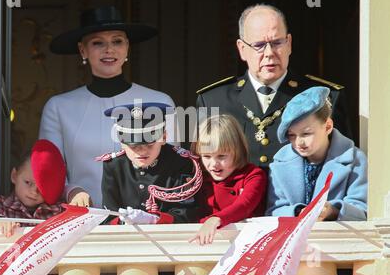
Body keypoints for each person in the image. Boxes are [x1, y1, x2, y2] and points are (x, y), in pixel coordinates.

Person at [40, 6, 176, 209]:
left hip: (148, 220)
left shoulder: (161, 102)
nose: (109, 49)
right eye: (98, 43)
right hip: (83, 218)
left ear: (127, 47)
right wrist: (71, 190)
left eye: (117, 41)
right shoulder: (59, 107)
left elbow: (175, 165)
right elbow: (48, 172)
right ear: (82, 50)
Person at [195, 4, 352, 171]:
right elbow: (200, 169)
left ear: (289, 43)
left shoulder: (325, 98)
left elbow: (344, 165)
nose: (269, 52)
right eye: (259, 45)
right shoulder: (212, 101)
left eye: (277, 42)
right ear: (242, 49)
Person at [265, 87, 367, 221]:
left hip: (336, 238)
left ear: (328, 127)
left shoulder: (356, 160)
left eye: (306, 133)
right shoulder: (279, 163)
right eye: (291, 135)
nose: (299, 142)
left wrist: (333, 211)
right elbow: (273, 210)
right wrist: (297, 212)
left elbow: (362, 209)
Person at [99, 102, 203, 225]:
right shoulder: (114, 165)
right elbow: (109, 215)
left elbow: (187, 213)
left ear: (163, 137)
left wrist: (155, 220)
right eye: (134, 146)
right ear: (122, 143)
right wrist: (123, 222)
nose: (142, 151)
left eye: (149, 144)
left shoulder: (180, 162)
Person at [188, 114, 267, 245]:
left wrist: (214, 220)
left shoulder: (253, 175)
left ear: (238, 151)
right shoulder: (198, 178)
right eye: (207, 156)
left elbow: (244, 205)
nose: (214, 164)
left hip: (247, 245)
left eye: (221, 156)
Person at [0, 139, 66, 237]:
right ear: (14, 176)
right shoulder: (2, 204)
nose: (34, 192)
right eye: (28, 182)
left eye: (41, 187)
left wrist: (75, 191)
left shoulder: (55, 210)